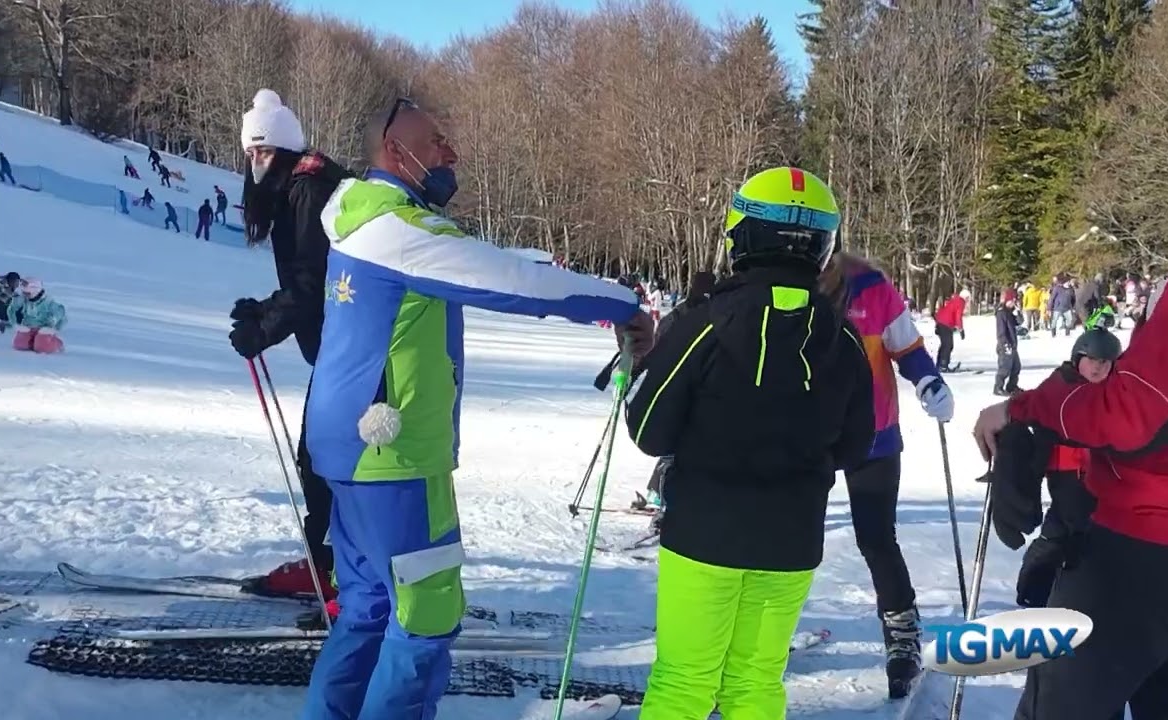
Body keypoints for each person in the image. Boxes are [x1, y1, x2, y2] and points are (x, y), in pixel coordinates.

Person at [299, 96, 654, 720]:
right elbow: (519, 281)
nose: (448, 154)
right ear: (393, 151)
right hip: (395, 454)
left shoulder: (359, 220)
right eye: (433, 142)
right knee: (426, 616)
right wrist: (622, 302)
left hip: (345, 445)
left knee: (368, 609)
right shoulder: (400, 230)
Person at [625, 166, 875, 720]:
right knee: (755, 684)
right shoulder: (844, 336)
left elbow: (648, 430)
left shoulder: (705, 322)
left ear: (743, 234)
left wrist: (644, 368)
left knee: (685, 682)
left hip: (705, 535)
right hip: (790, 537)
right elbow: (858, 444)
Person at [973, 274, 1168, 720]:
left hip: (1139, 548)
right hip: (1115, 525)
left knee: (1064, 700)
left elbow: (1131, 414)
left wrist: (1022, 408)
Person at [230, 89, 354, 614]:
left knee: (330, 460)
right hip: (339, 348)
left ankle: (344, 574)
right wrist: (262, 311)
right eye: (251, 154)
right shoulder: (298, 185)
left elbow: (311, 282)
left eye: (263, 153)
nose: (256, 164)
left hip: (353, 352)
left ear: (281, 150)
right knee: (320, 458)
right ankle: (327, 563)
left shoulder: (308, 189)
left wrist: (266, 327)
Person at [818, 250, 955, 697]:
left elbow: (907, 346)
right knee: (789, 540)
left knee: (876, 538)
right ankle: (760, 635)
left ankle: (902, 635)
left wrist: (929, 380)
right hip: (810, 436)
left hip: (873, 433)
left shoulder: (872, 287)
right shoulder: (790, 284)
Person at [1013, 327, 1120, 609]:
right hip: (1067, 476)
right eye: (1092, 360)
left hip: (1100, 483)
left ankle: (1078, 599)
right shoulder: (1062, 384)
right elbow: (1037, 408)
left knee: (1082, 539)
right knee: (1060, 535)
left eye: (1105, 363)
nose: (1098, 368)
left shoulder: (1115, 396)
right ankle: (1034, 595)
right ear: (1078, 359)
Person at [631, 270, 717, 516]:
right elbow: (658, 344)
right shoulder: (692, 315)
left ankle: (660, 496)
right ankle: (660, 499)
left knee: (679, 449)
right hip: (675, 385)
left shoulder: (701, 314)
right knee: (674, 448)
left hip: (690, 388)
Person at [7, 278, 66, 353]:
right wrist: (14, 324)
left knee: (42, 347)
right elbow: (11, 309)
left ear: (35, 290)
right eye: (23, 292)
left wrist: (55, 327)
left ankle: (57, 343)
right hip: (28, 326)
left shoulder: (48, 302)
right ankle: (33, 342)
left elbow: (61, 312)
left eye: (27, 293)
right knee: (20, 344)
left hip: (44, 329)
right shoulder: (23, 299)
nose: (25, 295)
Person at [994, 288, 1022, 396]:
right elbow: (1001, 331)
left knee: (1016, 367)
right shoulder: (1001, 313)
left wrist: (1018, 311)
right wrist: (1005, 343)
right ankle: (998, 387)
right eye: (1012, 301)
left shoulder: (1009, 313)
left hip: (1013, 345)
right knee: (1005, 367)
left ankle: (1011, 387)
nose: (1013, 303)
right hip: (1005, 345)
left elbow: (1019, 322)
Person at [933, 288, 969, 371]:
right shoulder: (961, 302)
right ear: (966, 297)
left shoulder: (955, 300)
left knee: (944, 345)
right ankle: (943, 366)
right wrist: (961, 329)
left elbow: (950, 312)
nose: (968, 301)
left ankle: (940, 364)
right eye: (968, 298)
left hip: (941, 322)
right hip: (945, 324)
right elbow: (958, 316)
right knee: (948, 345)